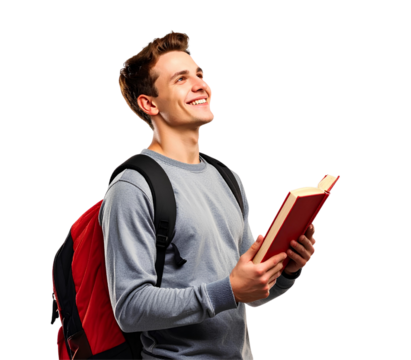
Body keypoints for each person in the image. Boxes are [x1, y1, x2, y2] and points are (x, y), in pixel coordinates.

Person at [100, 29, 316, 359]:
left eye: (200, 74)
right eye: (181, 79)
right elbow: (130, 308)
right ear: (149, 103)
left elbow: (250, 296)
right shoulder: (133, 186)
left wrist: (286, 271)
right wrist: (228, 290)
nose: (201, 85)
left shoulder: (228, 178)